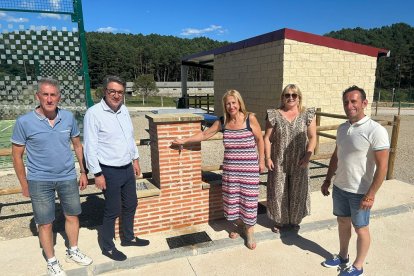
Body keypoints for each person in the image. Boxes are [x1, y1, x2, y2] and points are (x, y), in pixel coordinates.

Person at [11, 78, 93, 276]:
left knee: (72, 215)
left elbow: (77, 145)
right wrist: (24, 184)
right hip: (39, 180)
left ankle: (73, 250)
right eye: (45, 94)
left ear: (59, 97)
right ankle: (52, 261)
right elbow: (17, 155)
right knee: (45, 222)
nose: (49, 99)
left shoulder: (68, 117)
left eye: (53, 94)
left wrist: (83, 171)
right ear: (37, 96)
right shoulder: (24, 122)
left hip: (66, 176)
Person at [172, 89, 265, 250]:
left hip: (249, 168)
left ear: (239, 103)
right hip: (231, 169)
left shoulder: (250, 118)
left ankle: (249, 231)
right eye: (228, 103)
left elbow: (260, 140)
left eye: (233, 102)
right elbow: (205, 134)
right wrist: (184, 140)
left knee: (249, 201)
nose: (231, 106)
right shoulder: (222, 122)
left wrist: (261, 160)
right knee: (233, 200)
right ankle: (238, 225)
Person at [321, 85, 389, 276]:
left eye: (353, 101)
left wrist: (371, 194)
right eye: (346, 102)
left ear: (364, 103)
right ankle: (343, 256)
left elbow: (382, 167)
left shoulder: (375, 130)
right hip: (340, 187)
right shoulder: (343, 128)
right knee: (342, 223)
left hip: (361, 192)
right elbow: (336, 156)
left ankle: (358, 266)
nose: (349, 105)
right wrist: (327, 180)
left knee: (361, 229)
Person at [83, 75, 149, 261]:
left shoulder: (124, 110)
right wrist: (97, 173)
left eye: (120, 92)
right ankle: (108, 246)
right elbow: (90, 147)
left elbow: (129, 137)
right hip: (108, 170)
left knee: (130, 204)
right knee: (112, 209)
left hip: (126, 167)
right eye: (112, 91)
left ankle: (128, 237)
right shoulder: (94, 113)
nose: (116, 95)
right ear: (105, 91)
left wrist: (135, 160)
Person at [264, 84, 316, 232]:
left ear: (299, 98)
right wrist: (267, 158)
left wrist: (307, 156)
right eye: (287, 95)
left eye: (294, 95)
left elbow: (312, 137)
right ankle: (279, 221)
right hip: (278, 160)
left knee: (298, 191)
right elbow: (267, 138)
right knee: (278, 191)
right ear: (282, 98)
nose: (291, 98)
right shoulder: (274, 114)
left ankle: (294, 221)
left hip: (300, 161)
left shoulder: (307, 114)